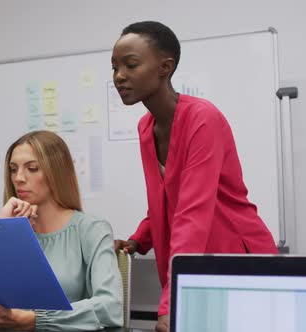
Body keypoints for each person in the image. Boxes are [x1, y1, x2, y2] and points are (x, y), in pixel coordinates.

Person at [111, 21, 279, 332]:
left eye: (131, 65)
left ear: (165, 67)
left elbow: (192, 214)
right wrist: (139, 239)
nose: (119, 76)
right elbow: (165, 199)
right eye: (115, 67)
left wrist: (171, 302)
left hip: (237, 261)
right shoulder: (146, 128)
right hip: (195, 266)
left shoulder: (203, 120)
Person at [0, 130, 123, 331]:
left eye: (32, 168)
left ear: (57, 172)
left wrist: (35, 320)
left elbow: (111, 307)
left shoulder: (91, 229)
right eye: (13, 169)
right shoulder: (7, 227)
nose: (19, 178)